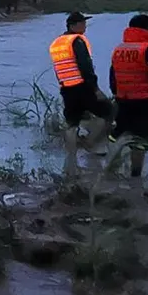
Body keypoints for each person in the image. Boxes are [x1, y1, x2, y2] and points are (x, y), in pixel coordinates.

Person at [108, 14, 148, 181]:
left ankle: (109, 172)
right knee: (141, 141)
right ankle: (135, 178)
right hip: (145, 102)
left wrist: (117, 95)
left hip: (123, 100)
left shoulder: (118, 49)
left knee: (118, 134)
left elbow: (113, 77)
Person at [48, 11, 113, 175]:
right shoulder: (77, 41)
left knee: (72, 123)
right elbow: (85, 66)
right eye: (82, 23)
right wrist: (96, 89)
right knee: (108, 112)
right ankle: (90, 143)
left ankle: (70, 163)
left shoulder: (57, 43)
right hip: (83, 86)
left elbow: (58, 69)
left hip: (66, 88)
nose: (85, 25)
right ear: (72, 26)